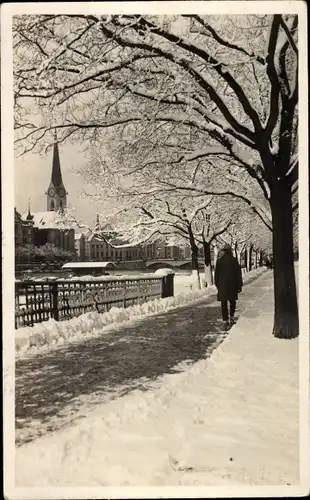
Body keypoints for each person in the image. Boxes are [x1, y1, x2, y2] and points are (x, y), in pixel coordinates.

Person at [215, 243, 243, 330]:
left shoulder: (219, 261)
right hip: (232, 285)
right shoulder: (234, 260)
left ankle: (225, 320)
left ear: (224, 251)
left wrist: (217, 284)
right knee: (232, 302)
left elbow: (216, 275)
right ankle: (231, 316)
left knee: (223, 303)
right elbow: (238, 274)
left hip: (222, 285)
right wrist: (239, 285)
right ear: (230, 251)